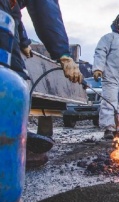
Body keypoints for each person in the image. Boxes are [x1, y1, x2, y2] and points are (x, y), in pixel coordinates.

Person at [1, 0, 83, 156]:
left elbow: (14, 12)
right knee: (9, 77)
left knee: (18, 75)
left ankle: (16, 133)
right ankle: (10, 139)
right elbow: (45, 8)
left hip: (6, 17)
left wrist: (23, 41)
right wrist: (63, 54)